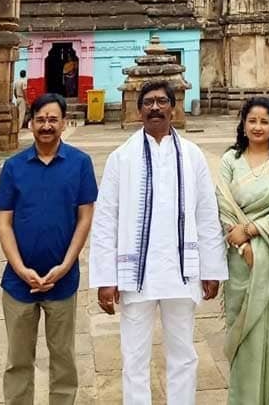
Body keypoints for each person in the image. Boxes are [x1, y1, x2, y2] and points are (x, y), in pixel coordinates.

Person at [89, 80, 228, 405]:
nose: (155, 107)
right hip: (136, 276)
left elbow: (207, 213)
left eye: (161, 101)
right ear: (139, 111)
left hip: (181, 273)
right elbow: (105, 219)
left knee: (184, 354)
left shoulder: (192, 156)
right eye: (148, 102)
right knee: (134, 358)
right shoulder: (120, 158)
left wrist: (211, 268)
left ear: (173, 107)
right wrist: (106, 278)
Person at [0, 93, 97, 405]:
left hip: (62, 281)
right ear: (30, 123)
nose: (46, 126)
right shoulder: (13, 167)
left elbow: (84, 219)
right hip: (18, 283)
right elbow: (4, 224)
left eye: (53, 119)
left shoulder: (80, 164)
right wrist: (21, 269)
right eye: (40, 119)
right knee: (18, 360)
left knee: (63, 359)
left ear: (64, 123)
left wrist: (66, 265)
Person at [217, 97, 269, 405]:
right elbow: (224, 207)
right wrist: (241, 245)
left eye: (264, 121)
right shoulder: (230, 161)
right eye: (251, 121)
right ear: (242, 124)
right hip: (241, 264)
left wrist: (253, 231)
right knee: (245, 339)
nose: (257, 127)